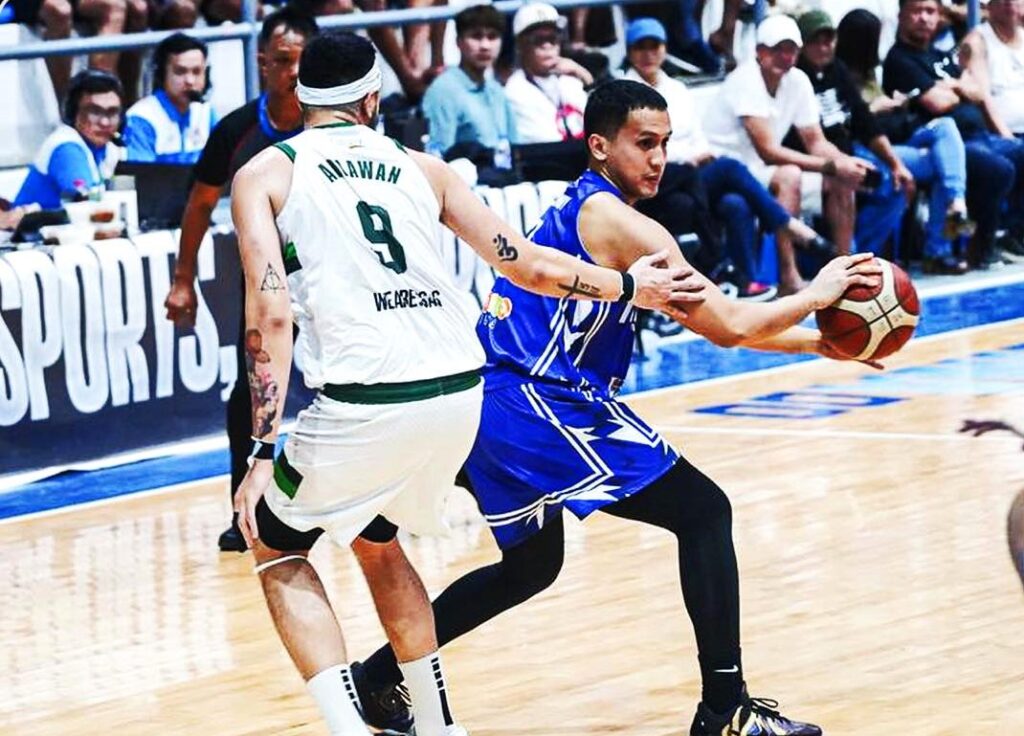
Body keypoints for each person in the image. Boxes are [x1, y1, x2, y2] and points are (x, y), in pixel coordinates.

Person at [352, 79, 881, 736]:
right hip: (535, 400)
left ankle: (376, 677)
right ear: (599, 146)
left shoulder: (591, 207)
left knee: (531, 568)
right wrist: (819, 293)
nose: (658, 159)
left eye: (665, 143)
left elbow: (719, 325)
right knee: (704, 512)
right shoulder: (623, 225)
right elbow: (731, 325)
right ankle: (726, 709)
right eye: (643, 143)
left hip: (496, 397)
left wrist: (816, 343)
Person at [231, 32, 701, 736]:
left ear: (299, 98)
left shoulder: (265, 172)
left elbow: (269, 314)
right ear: (372, 99)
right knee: (374, 537)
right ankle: (437, 724)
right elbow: (528, 266)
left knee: (276, 542)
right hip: (461, 394)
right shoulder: (426, 168)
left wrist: (260, 453)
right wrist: (630, 288)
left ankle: (347, 728)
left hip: (369, 399)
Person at [162, 7, 319, 553]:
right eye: (282, 61)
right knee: (253, 391)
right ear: (262, 63)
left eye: (302, 63)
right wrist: (182, 280)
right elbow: (199, 205)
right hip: (267, 282)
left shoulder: (334, 127)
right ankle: (244, 508)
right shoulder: (235, 130)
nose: (292, 73)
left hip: (330, 278)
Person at [624, 16, 835, 300]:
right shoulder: (624, 93)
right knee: (729, 168)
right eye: (641, 47)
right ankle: (789, 226)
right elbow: (639, 147)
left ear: (665, 49)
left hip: (688, 175)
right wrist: (689, 156)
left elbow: (697, 135)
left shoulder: (677, 89)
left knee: (734, 203)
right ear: (629, 51)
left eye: (655, 46)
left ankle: (746, 283)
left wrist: (699, 154)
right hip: (656, 177)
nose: (648, 54)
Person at [703, 14, 874, 295]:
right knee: (790, 175)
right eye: (777, 49)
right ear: (760, 52)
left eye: (791, 49)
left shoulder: (798, 80)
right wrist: (831, 166)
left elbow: (816, 141)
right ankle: (789, 276)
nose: (785, 56)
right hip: (730, 171)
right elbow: (768, 152)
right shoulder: (745, 80)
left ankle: (845, 269)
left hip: (761, 170)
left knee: (843, 178)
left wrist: (845, 163)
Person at [796, 8, 975, 272]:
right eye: (816, 42)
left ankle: (944, 230)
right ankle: (852, 261)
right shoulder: (798, 78)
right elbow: (815, 139)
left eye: (828, 40)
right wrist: (846, 160)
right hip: (827, 157)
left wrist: (896, 164)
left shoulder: (839, 70)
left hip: (870, 144)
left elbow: (864, 123)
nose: (824, 48)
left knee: (933, 149)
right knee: (889, 181)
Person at [883, 0, 1024, 268]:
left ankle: (1014, 235)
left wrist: (951, 86)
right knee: (998, 168)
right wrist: (960, 88)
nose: (924, 18)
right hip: (942, 142)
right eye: (917, 11)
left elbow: (977, 92)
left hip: (980, 135)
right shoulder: (899, 59)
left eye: (930, 11)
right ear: (901, 16)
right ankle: (984, 247)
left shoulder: (939, 55)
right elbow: (938, 103)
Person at [14, 68, 124, 209]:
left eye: (112, 113)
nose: (105, 122)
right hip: (34, 223)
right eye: (95, 112)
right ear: (73, 112)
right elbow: (88, 205)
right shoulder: (67, 148)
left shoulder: (109, 148)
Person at [421, 2, 517, 159]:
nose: (485, 45)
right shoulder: (443, 91)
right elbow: (438, 156)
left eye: (492, 37)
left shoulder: (496, 90)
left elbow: (516, 148)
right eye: (476, 36)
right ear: (458, 41)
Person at [504, 2, 593, 143]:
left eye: (553, 38)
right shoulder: (515, 89)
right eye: (538, 40)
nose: (547, 45)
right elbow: (549, 141)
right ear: (521, 45)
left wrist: (585, 77)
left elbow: (599, 128)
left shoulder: (571, 79)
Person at [123, 33, 217, 164]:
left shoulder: (206, 113)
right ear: (162, 73)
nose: (190, 81)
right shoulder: (142, 118)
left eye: (197, 72)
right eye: (180, 72)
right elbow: (140, 173)